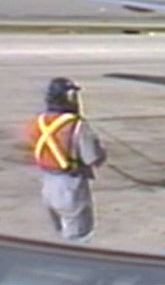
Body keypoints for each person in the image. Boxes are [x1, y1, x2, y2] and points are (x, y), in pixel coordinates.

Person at [28, 77, 107, 242]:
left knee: (57, 235)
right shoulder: (76, 124)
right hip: (70, 186)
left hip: (47, 184)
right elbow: (92, 158)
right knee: (77, 236)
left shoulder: (39, 121)